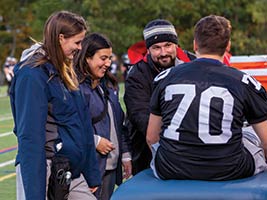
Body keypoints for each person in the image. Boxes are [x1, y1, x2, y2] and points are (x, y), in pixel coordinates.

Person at [146, 15, 267, 181]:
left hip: (171, 167)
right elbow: (266, 140)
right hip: (230, 168)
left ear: (195, 44)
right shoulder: (244, 81)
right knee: (248, 134)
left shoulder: (164, 78)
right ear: (228, 45)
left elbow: (151, 137)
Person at [9, 11, 101, 200]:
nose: (80, 48)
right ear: (61, 39)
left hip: (69, 170)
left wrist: (91, 174)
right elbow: (30, 136)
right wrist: (34, 192)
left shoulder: (66, 71)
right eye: (77, 42)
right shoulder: (32, 75)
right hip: (44, 168)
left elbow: (83, 124)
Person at [124, 19, 195, 175]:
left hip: (193, 148)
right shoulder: (137, 75)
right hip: (148, 153)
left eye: (168, 46)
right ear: (148, 49)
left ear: (176, 45)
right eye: (156, 48)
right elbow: (140, 116)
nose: (163, 53)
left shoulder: (193, 63)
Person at [75, 33, 132, 200]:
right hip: (89, 168)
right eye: (103, 58)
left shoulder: (108, 84)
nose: (108, 63)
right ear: (87, 58)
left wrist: (125, 154)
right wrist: (94, 141)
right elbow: (68, 127)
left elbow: (118, 123)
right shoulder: (76, 88)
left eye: (109, 58)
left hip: (110, 168)